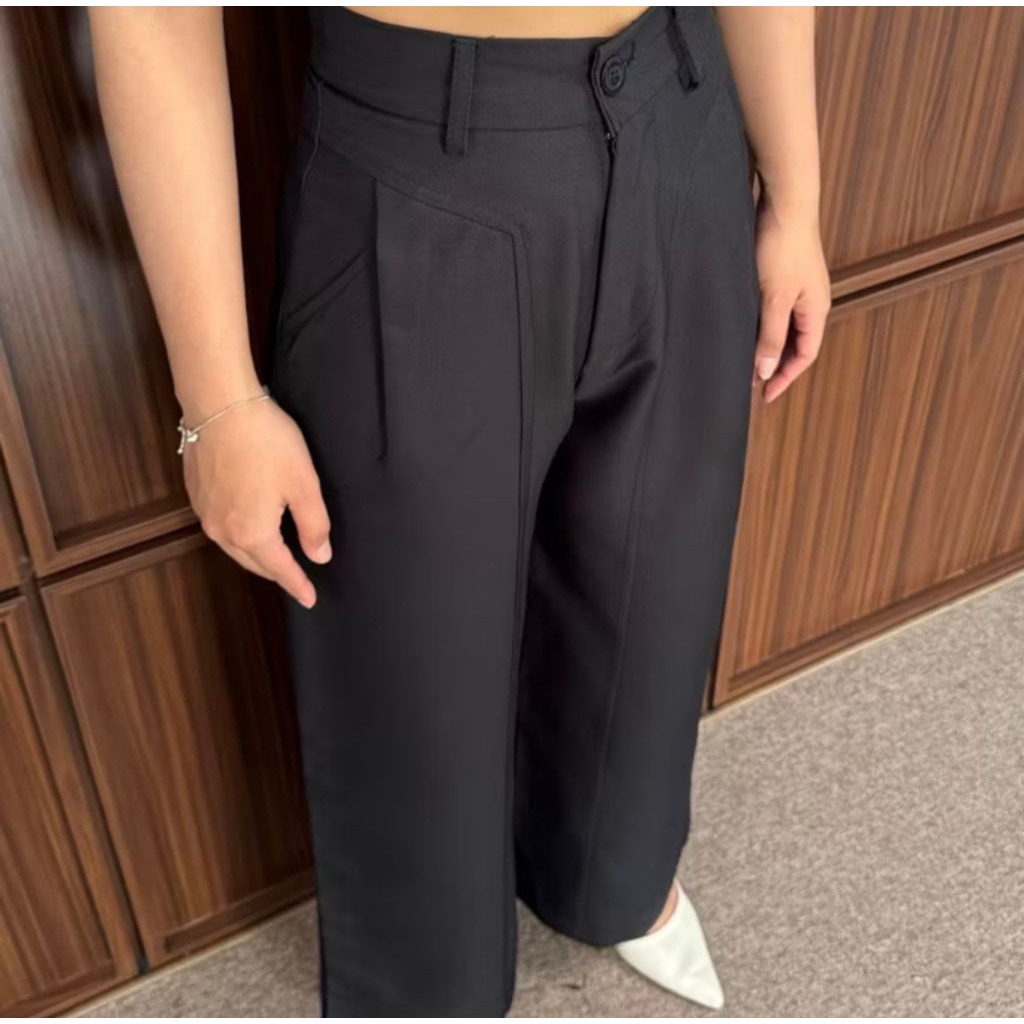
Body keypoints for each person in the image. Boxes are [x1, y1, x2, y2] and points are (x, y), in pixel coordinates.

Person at [88, 6, 830, 1017]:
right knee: (414, 664)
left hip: (683, 110)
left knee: (656, 585)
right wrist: (214, 399)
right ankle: (424, 994)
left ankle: (615, 882)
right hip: (416, 163)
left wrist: (795, 195)